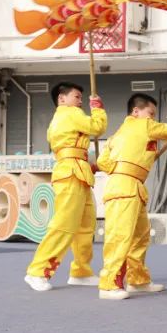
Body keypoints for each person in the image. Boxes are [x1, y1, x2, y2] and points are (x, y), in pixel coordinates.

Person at [95, 94, 167, 300]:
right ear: (136, 111)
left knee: (140, 236)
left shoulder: (117, 135)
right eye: (151, 113)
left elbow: (103, 162)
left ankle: (137, 280)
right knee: (120, 236)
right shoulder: (145, 125)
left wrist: (129, 164)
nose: (152, 118)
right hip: (126, 186)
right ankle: (109, 284)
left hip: (128, 186)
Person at [24, 83, 107, 291]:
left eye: (81, 98)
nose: (80, 101)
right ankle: (37, 271)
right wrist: (97, 109)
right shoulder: (70, 113)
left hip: (77, 170)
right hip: (71, 172)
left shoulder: (62, 117)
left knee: (85, 225)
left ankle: (81, 272)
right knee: (64, 224)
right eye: (77, 97)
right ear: (62, 99)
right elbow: (97, 127)